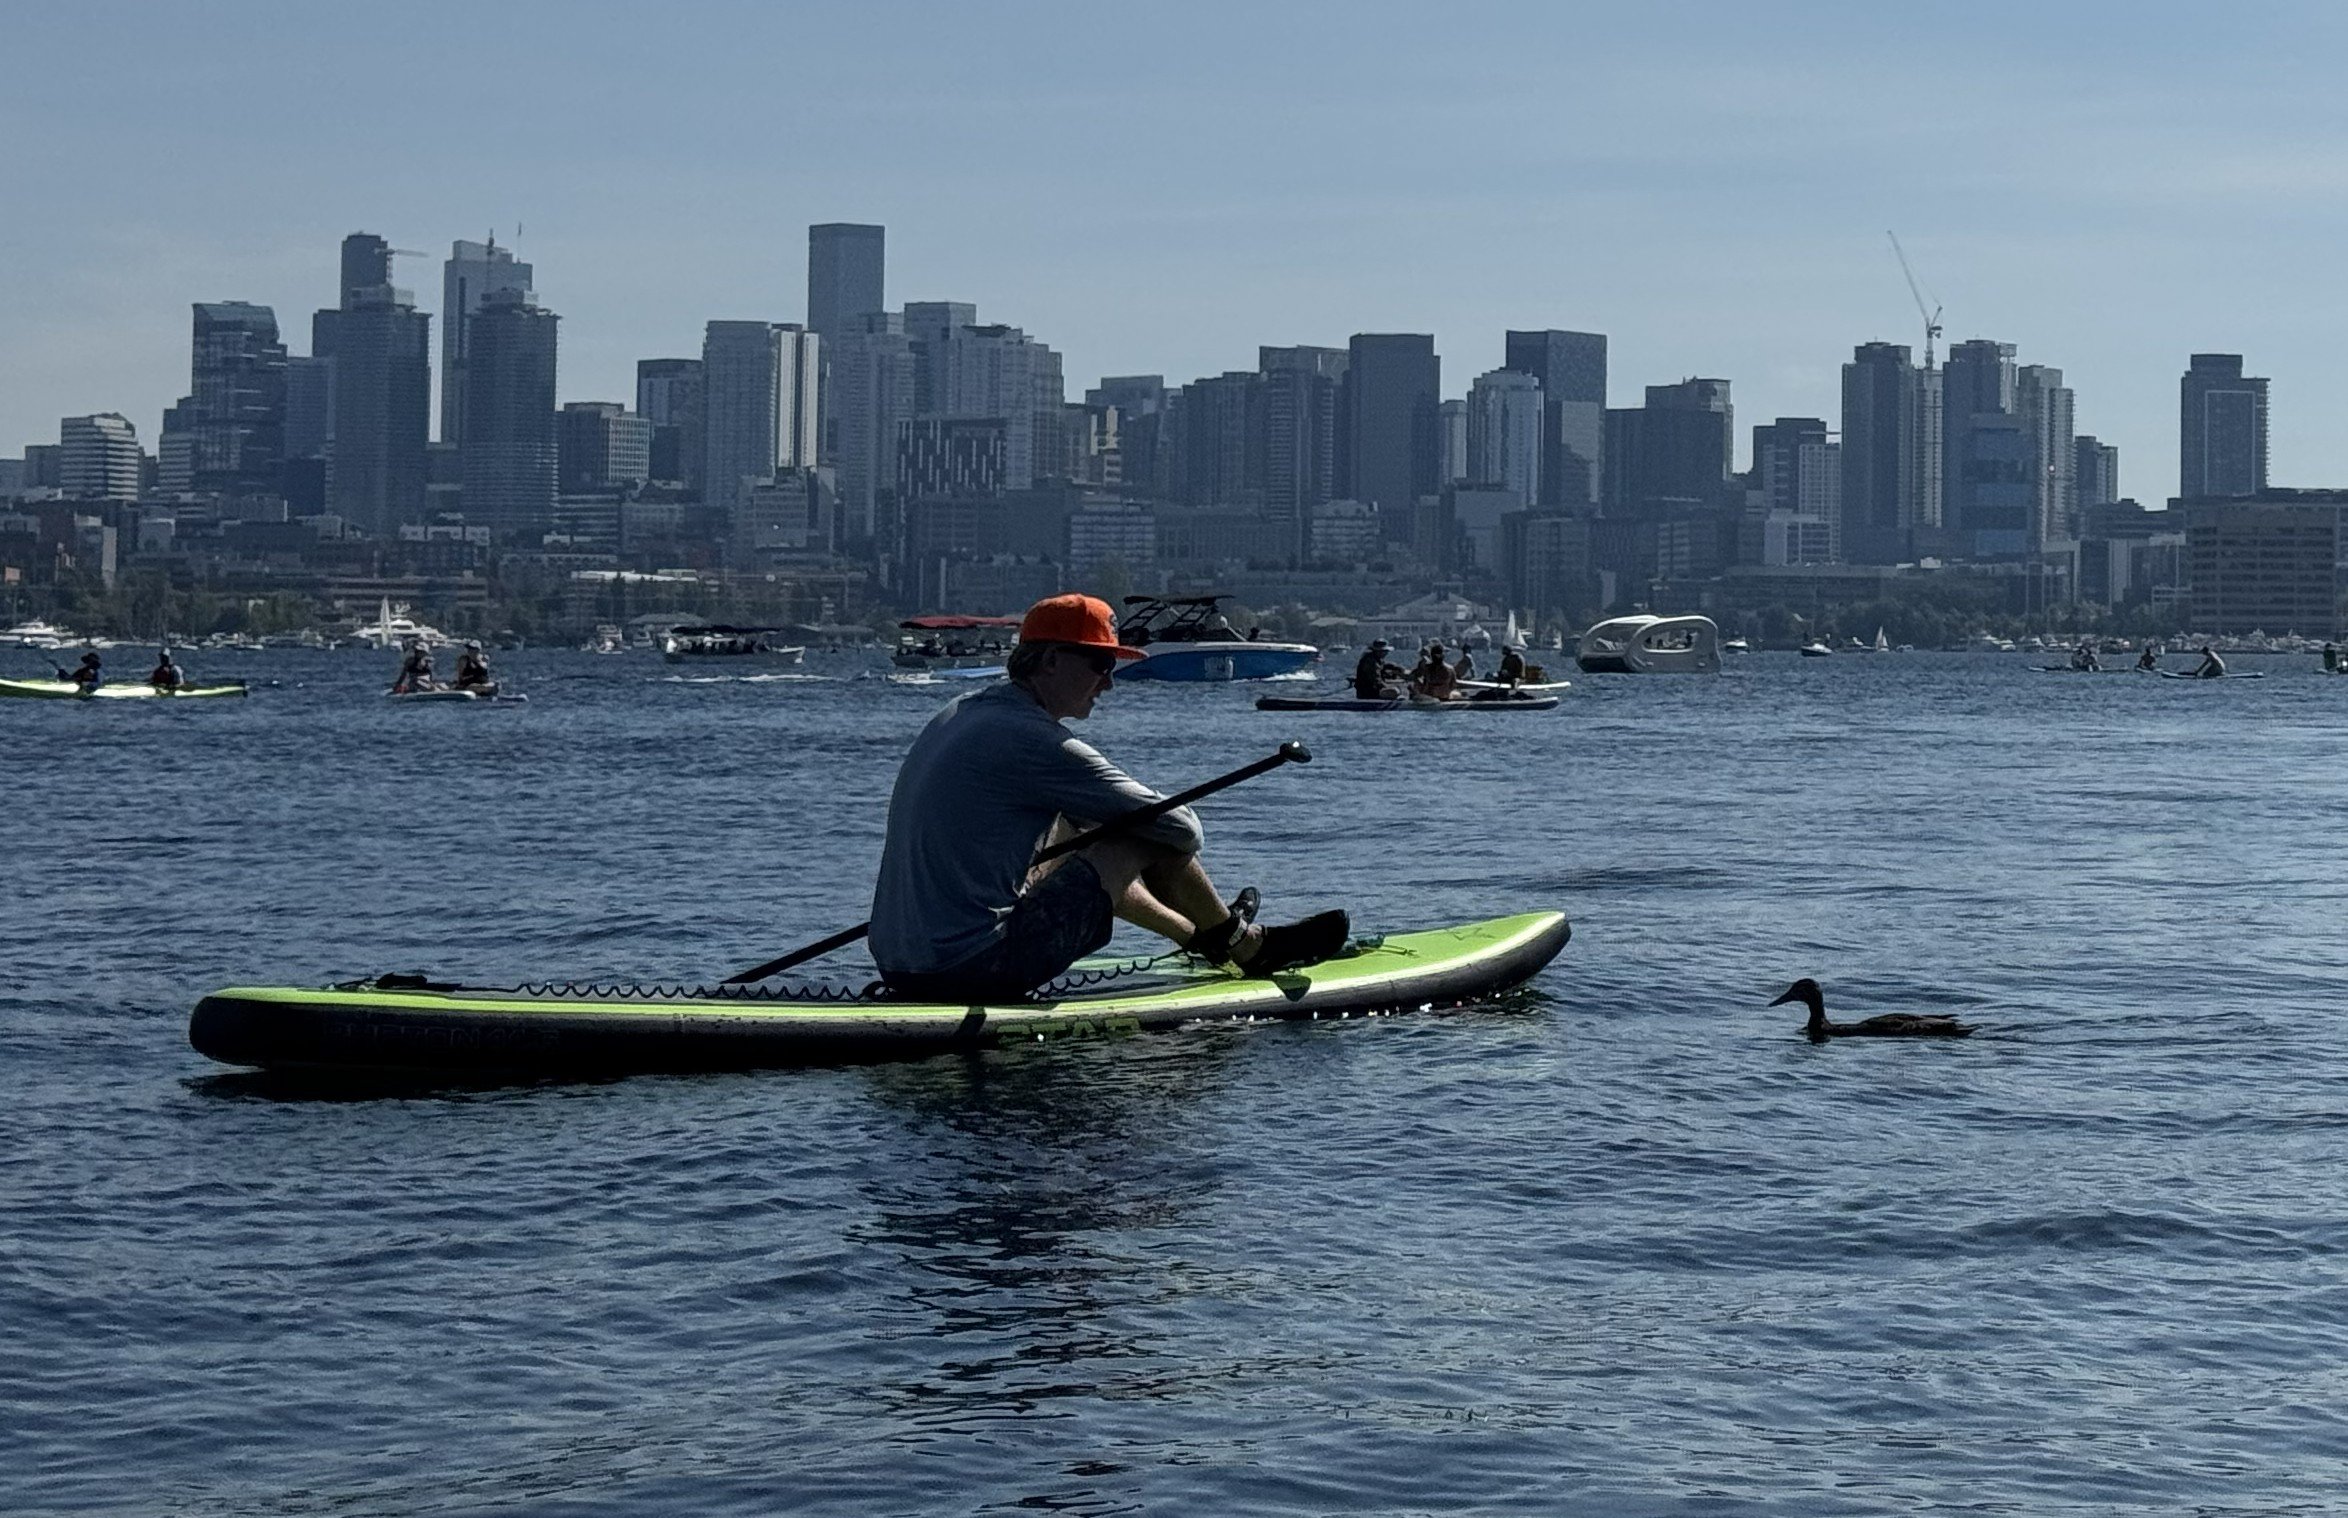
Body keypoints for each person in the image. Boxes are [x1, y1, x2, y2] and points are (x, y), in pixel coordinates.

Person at [869, 593, 1350, 1002]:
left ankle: (1198, 937)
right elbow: (1183, 830)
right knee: (1143, 832)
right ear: (1051, 660)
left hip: (900, 965)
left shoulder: (962, 712)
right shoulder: (1033, 741)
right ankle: (1244, 945)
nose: (1109, 682)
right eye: (1100, 664)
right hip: (971, 971)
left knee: (1080, 831)